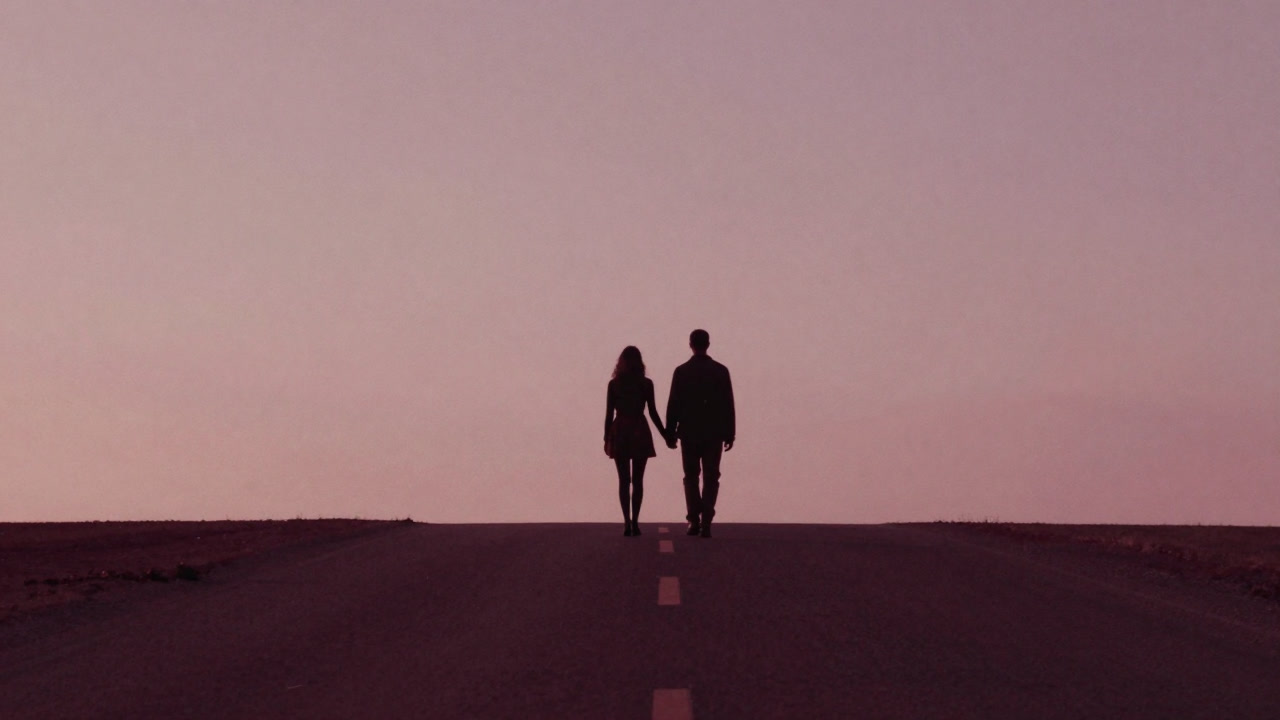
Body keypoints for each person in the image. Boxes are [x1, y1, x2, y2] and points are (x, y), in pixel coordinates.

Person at [665, 329, 735, 538]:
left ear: (691, 344)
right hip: (714, 431)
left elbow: (673, 404)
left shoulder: (682, 371)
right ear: (708, 344)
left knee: (691, 476)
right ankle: (706, 521)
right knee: (711, 476)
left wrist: (670, 432)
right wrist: (730, 432)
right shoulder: (720, 371)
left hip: (689, 431)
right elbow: (728, 404)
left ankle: (694, 520)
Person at [604, 346, 669, 536]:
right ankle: (635, 521)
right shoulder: (646, 384)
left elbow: (609, 413)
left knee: (624, 480)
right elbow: (653, 412)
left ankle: (626, 522)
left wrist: (606, 436)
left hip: (620, 429)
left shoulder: (614, 384)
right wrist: (665, 434)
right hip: (639, 429)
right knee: (638, 480)